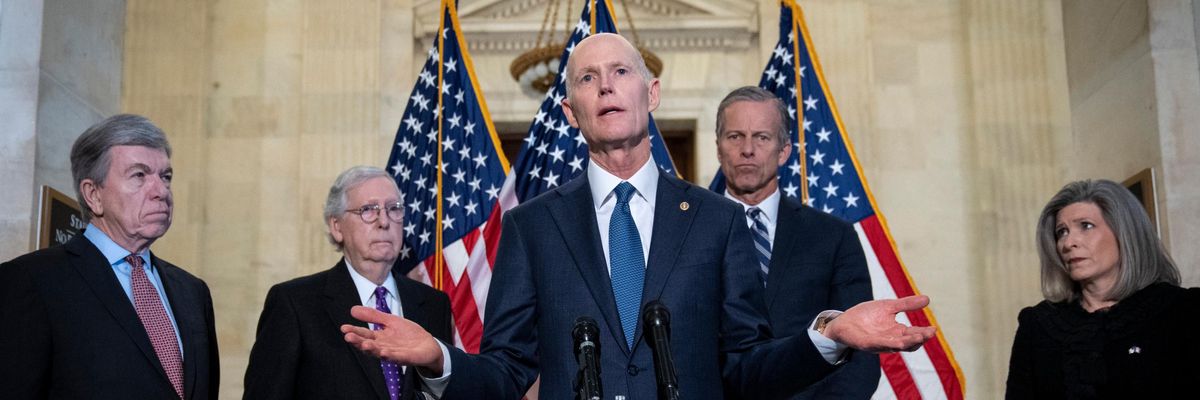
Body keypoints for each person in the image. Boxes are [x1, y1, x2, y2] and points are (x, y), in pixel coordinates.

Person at [341, 33, 935, 400]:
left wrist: (828, 335)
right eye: (588, 79)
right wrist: (439, 358)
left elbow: (747, 371)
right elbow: (507, 371)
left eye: (621, 73)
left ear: (651, 95)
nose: (606, 87)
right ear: (571, 111)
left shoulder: (717, 221)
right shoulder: (532, 226)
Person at [0, 114, 219, 399]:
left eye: (165, 177)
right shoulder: (32, 281)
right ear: (93, 194)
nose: (161, 191)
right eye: (139, 175)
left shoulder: (193, 291)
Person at [715, 86, 881, 399]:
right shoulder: (688, 230)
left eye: (762, 137)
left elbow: (861, 354)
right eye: (735, 136)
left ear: (784, 151)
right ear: (719, 147)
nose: (747, 149)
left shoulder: (834, 236)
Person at [243, 166, 454, 400]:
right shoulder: (294, 303)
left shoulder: (435, 304)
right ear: (337, 226)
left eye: (393, 208)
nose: (384, 221)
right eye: (368, 210)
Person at [1006, 179, 1200, 398]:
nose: (1068, 243)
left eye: (1086, 226)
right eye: (1062, 231)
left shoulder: (1184, 311)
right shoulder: (1038, 325)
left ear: (1125, 233)